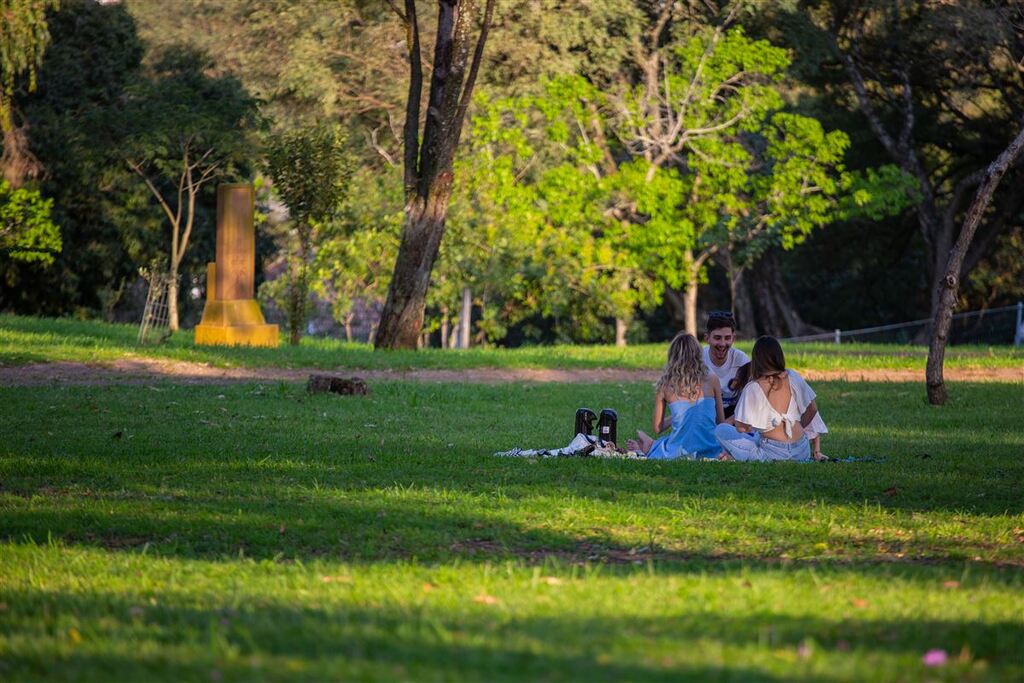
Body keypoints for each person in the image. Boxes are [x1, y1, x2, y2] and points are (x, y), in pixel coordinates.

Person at [715, 336, 818, 462]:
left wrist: (757, 428)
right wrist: (795, 427)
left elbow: (741, 428)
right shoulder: (793, 376)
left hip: (772, 454)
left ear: (756, 360)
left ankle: (739, 456)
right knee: (758, 436)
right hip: (802, 450)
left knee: (721, 430)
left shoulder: (753, 387)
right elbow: (812, 409)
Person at [627, 332, 725, 459]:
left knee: (674, 442)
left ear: (672, 356)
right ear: (698, 354)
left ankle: (650, 444)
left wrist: (679, 415)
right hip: (711, 450)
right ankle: (650, 444)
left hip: (679, 451)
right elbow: (721, 422)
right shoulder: (712, 379)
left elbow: (658, 428)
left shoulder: (665, 385)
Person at [728, 361, 829, 461]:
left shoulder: (755, 389)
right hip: (798, 450)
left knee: (722, 431)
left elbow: (814, 421)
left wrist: (816, 450)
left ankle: (738, 454)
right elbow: (813, 411)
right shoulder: (792, 379)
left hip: (774, 449)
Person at [702, 311, 750, 419]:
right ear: (707, 338)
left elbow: (749, 404)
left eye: (727, 338)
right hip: (704, 415)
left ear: (733, 338)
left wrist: (726, 425)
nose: (723, 344)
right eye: (717, 338)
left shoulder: (742, 361)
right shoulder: (697, 360)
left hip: (733, 416)